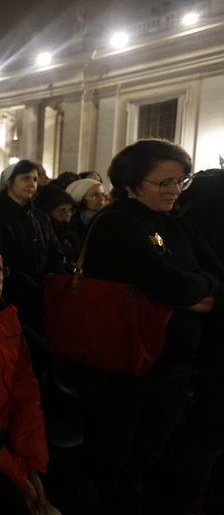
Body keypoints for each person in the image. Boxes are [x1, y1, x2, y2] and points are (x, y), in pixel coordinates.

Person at [78, 139, 223, 514]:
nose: (176, 190)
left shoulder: (177, 225)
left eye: (182, 181)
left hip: (172, 367)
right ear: (131, 183)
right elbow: (169, 284)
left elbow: (216, 281)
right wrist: (193, 288)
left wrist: (193, 287)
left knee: (152, 454)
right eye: (165, 182)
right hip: (125, 366)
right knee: (117, 460)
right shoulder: (116, 223)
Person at [0, 238, 48, 515]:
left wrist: (31, 463)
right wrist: (17, 475)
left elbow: (25, 391)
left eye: (0, 269)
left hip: (9, 442)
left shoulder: (6, 319)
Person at [0, 160, 66, 354]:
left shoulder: (40, 217)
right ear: (9, 182)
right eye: (25, 178)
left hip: (42, 294)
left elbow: (54, 251)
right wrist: (22, 281)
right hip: (12, 295)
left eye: (34, 178)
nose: (32, 183)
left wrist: (54, 277)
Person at [34, 184, 82, 271]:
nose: (68, 214)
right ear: (49, 211)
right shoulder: (43, 233)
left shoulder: (72, 232)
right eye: (63, 210)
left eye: (71, 210)